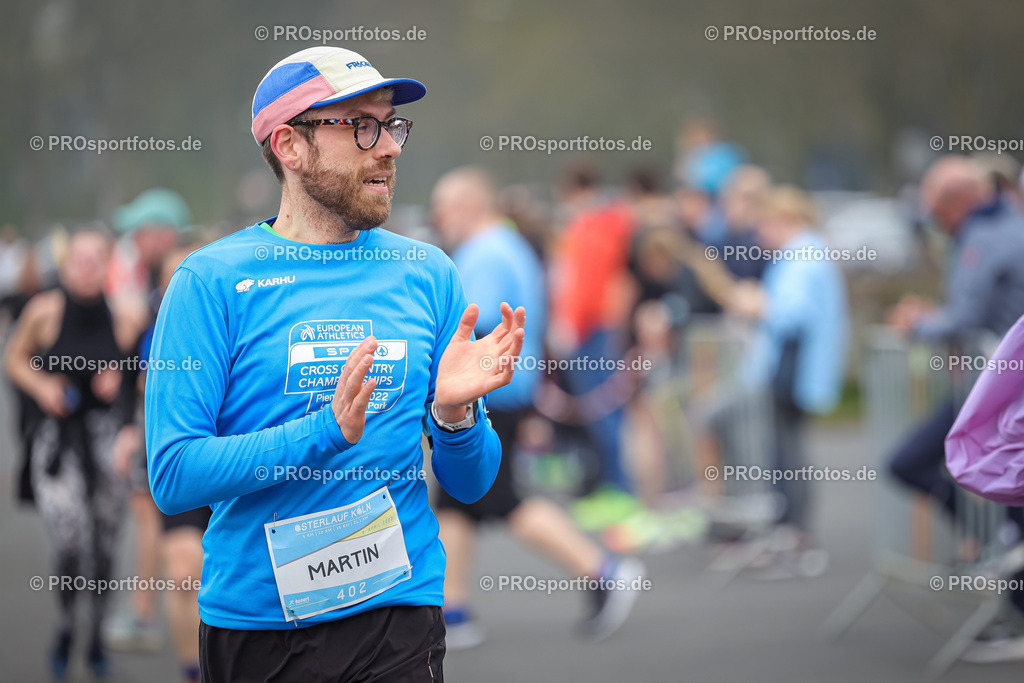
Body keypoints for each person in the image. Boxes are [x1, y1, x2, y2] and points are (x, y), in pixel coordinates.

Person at [146, 46, 525, 682]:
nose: (389, 147)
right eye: (361, 126)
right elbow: (174, 473)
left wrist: (455, 417)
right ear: (289, 146)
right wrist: (320, 435)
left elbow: (471, 484)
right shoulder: (210, 281)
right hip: (259, 629)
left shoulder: (426, 273)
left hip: (397, 616)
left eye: (392, 124)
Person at [431, 167, 644, 648]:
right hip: (508, 387)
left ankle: (604, 570)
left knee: (503, 501)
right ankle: (453, 610)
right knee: (459, 505)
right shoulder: (509, 245)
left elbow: (474, 323)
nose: (438, 218)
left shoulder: (483, 252)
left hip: (491, 393)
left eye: (443, 208)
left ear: (467, 205)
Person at [886, 155, 1024, 662]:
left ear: (958, 200)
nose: (932, 223)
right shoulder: (998, 231)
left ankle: (1010, 593)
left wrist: (919, 324)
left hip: (1000, 393)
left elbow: (966, 316)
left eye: (934, 210)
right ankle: (992, 551)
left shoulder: (987, 238)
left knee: (1010, 499)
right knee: (1011, 502)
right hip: (995, 389)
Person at [5, 229, 145, 678]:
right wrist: (43, 385)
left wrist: (121, 388)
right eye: (78, 260)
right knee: (71, 542)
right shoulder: (45, 311)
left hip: (106, 439)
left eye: (94, 259)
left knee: (104, 549)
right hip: (58, 440)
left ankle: (98, 632)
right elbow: (15, 356)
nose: (85, 267)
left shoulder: (125, 317)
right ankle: (67, 625)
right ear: (65, 266)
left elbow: (140, 379)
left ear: (106, 265)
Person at [721, 186, 849, 576]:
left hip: (793, 369)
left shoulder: (803, 255)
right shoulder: (806, 253)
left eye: (766, 225)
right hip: (792, 367)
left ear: (785, 221)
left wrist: (755, 304)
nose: (760, 236)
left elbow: (791, 314)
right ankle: (790, 533)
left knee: (787, 455)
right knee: (784, 453)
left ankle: (796, 536)